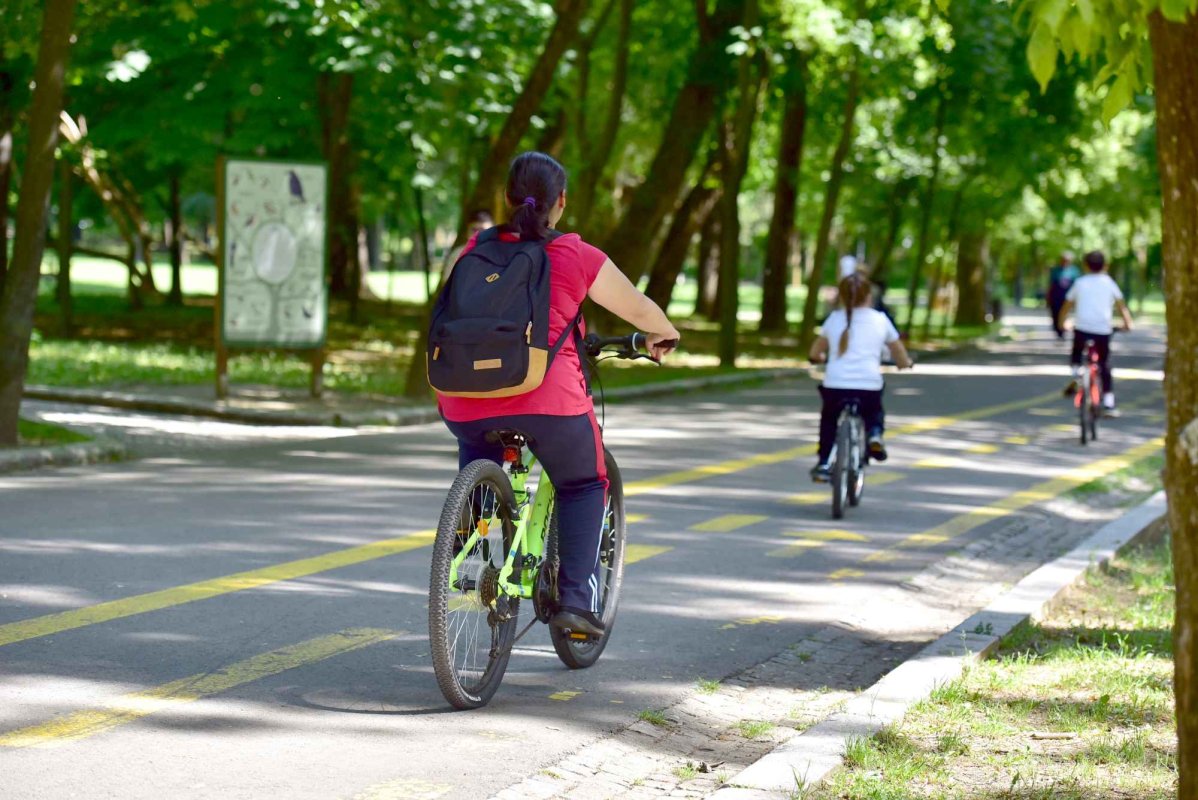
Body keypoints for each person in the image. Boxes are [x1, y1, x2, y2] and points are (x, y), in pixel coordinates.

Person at [436, 151, 680, 637]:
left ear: (507, 198)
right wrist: (664, 332)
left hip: (462, 396)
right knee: (585, 482)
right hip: (548, 401)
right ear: (561, 201)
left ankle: (470, 515)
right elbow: (638, 308)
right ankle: (575, 603)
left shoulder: (473, 250)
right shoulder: (573, 253)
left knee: (478, 438)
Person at [808, 273, 913, 481]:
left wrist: (817, 358)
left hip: (835, 385)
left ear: (842, 297)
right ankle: (874, 434)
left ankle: (824, 462)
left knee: (829, 419)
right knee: (873, 412)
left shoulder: (834, 319)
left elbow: (815, 351)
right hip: (868, 385)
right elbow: (898, 350)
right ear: (869, 296)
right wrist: (905, 363)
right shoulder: (880, 320)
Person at [1059, 250, 1133, 415]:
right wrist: (1127, 323)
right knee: (1104, 363)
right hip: (1102, 330)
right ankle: (1108, 402)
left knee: (1077, 351)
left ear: (1085, 266)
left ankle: (1076, 374)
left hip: (1082, 328)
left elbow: (1067, 305)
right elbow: (1121, 305)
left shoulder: (1080, 283)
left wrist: (1062, 323)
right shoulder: (1109, 283)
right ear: (1105, 265)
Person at [1047, 251, 1079, 338]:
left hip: (1068, 297)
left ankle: (1062, 329)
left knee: (1065, 313)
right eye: (1064, 260)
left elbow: (1077, 285)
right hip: (1056, 296)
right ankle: (1057, 329)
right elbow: (1051, 284)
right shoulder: (1055, 270)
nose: (1065, 262)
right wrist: (1048, 297)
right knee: (1055, 313)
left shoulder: (1074, 271)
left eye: (1067, 260)